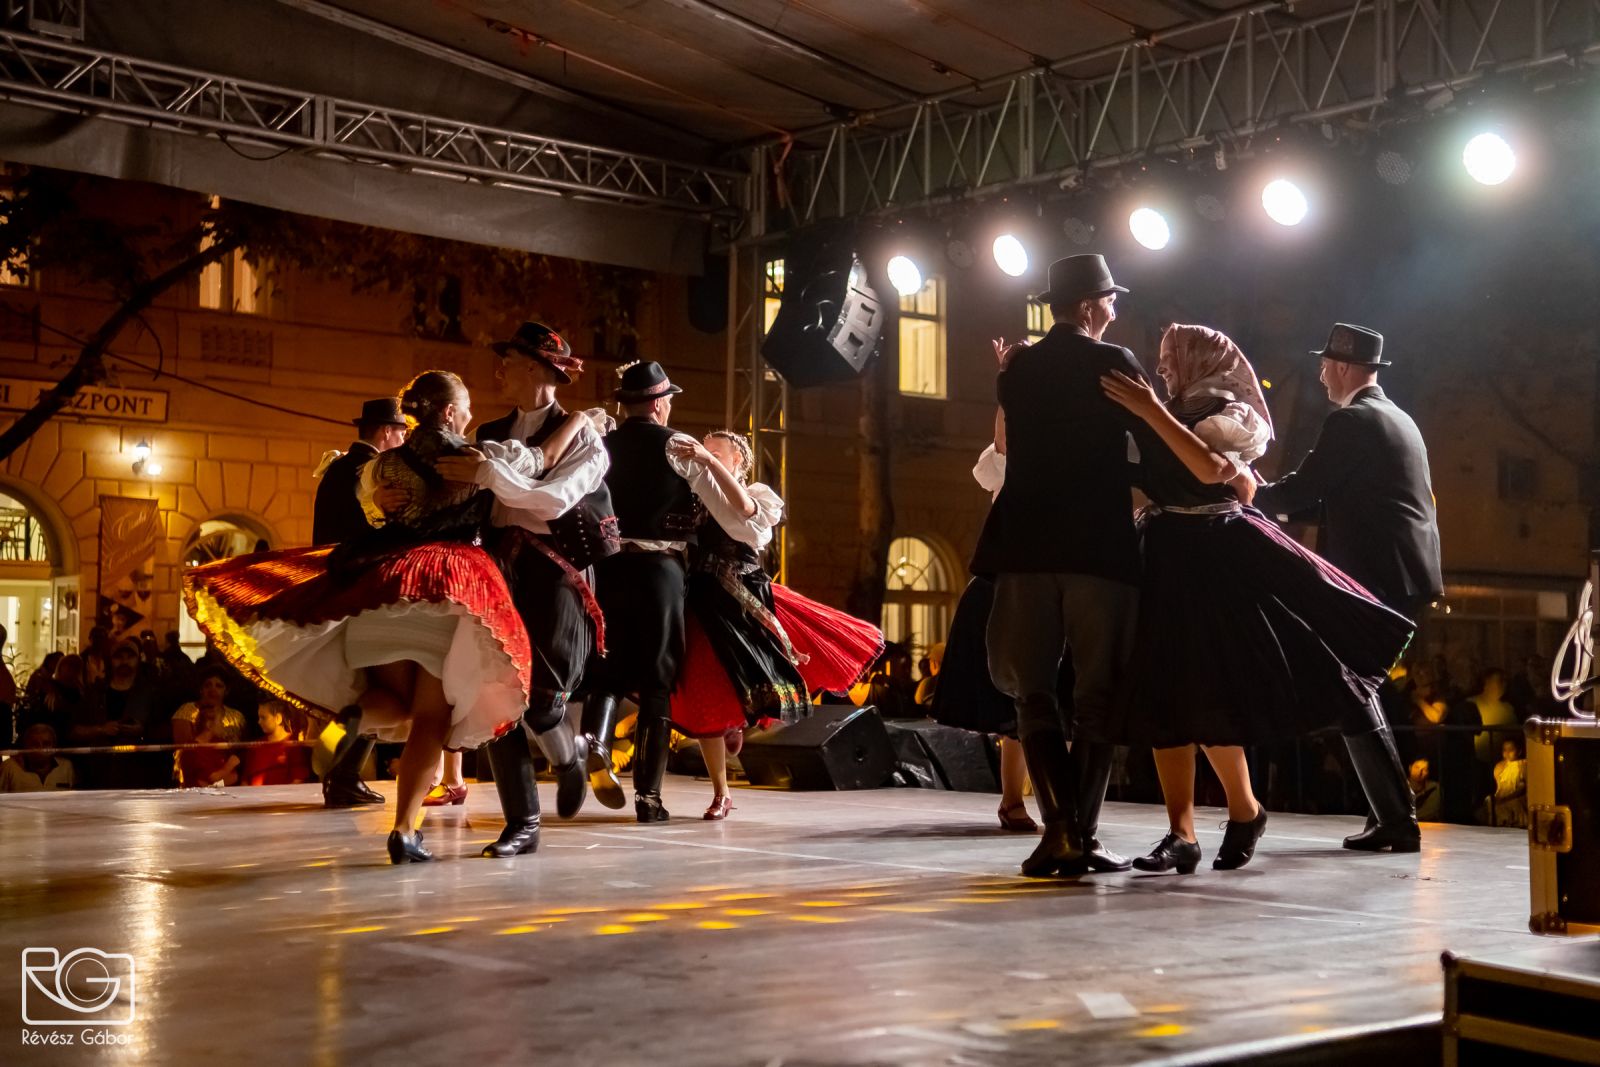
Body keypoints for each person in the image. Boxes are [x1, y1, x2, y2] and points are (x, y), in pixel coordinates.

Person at [184, 370, 540, 863]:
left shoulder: (383, 465)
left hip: (381, 588)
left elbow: (372, 509)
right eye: (466, 407)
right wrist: (578, 427)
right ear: (449, 412)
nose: (470, 416)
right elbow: (533, 466)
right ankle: (405, 830)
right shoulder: (477, 459)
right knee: (431, 717)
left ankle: (349, 721)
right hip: (443, 586)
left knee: (389, 699)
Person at [1101, 325, 1413, 873]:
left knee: (1207, 693)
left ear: (1201, 360)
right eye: (1163, 359)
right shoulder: (1162, 408)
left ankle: (1245, 810)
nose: (1164, 367)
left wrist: (1150, 411)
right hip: (1165, 553)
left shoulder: (1226, 413)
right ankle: (1181, 833)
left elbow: (1210, 469)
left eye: (1173, 357)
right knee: (1160, 694)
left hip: (1213, 555)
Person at [970, 254, 1144, 878]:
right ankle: (1080, 835)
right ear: (1091, 306)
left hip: (1025, 545)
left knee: (1033, 690)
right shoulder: (1113, 361)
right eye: (1111, 300)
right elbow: (1144, 444)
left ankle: (1062, 834)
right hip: (1097, 546)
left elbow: (1012, 443)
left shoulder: (1018, 369)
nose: (1115, 310)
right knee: (1098, 692)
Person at [1252, 323, 1442, 853]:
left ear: (1341, 367)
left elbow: (1306, 488)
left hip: (1379, 577)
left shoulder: (1351, 421)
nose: (1319, 375)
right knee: (1355, 687)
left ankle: (1396, 819)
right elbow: (1336, 500)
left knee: (1350, 687)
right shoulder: (1397, 419)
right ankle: (1392, 816)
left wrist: (1251, 494)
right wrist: (1273, 503)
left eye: (1323, 365)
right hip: (1404, 575)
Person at [450, 321, 617, 857]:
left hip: (557, 572)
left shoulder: (584, 438)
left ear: (539, 371)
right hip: (500, 568)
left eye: (510, 361)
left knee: (544, 701)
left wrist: (491, 476)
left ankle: (570, 758)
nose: (500, 370)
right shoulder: (491, 432)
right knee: (496, 694)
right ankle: (522, 823)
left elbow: (552, 502)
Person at [666, 430, 883, 820]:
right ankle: (721, 792)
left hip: (744, 596)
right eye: (704, 449)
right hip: (701, 598)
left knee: (755, 674)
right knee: (702, 689)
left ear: (738, 460)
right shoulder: (694, 495)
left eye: (716, 452)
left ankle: (736, 721)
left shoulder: (759, 494)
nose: (705, 454)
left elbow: (743, 511)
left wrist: (707, 461)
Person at [582, 361, 698, 824]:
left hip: (610, 567)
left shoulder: (601, 446)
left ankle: (595, 741)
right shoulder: (677, 445)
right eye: (667, 399)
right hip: (659, 570)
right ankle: (649, 798)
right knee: (657, 681)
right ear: (658, 403)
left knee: (608, 669)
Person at [311, 396, 408, 809]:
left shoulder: (337, 468)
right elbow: (376, 528)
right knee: (387, 691)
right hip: (370, 589)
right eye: (402, 432)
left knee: (358, 684)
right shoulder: (372, 471)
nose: (404, 440)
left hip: (335, 585)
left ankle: (341, 774)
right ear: (386, 432)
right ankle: (344, 769)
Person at [241, 700, 312, 786]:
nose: (259, 722)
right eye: (259, 717)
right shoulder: (255, 746)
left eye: (263, 718)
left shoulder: (293, 745)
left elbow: (298, 781)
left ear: (278, 718)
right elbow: (245, 780)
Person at [171, 667, 247, 746]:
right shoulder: (186, 711)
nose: (212, 690)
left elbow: (243, 749)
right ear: (201, 689)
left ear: (226, 691)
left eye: (219, 686)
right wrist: (210, 732)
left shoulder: (237, 717)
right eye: (207, 685)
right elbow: (182, 749)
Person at [179, 705, 240, 788]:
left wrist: (214, 784)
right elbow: (212, 778)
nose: (223, 725)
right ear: (209, 724)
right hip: (198, 795)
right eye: (220, 721)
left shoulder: (218, 743)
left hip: (219, 794)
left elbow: (234, 777)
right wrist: (229, 766)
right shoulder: (192, 750)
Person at [1, 723, 74, 792]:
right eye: (34, 744)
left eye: (46, 744)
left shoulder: (66, 766)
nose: (40, 748)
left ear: (54, 746)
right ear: (26, 746)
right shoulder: (9, 767)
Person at [1480, 737, 1528, 828]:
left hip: (1515, 797)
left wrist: (1506, 798)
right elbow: (1499, 786)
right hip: (1502, 795)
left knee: (1512, 804)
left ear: (1519, 751)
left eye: (1511, 750)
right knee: (1489, 800)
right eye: (1505, 750)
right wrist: (1498, 797)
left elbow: (1522, 788)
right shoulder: (1500, 766)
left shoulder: (1523, 764)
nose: (1507, 753)